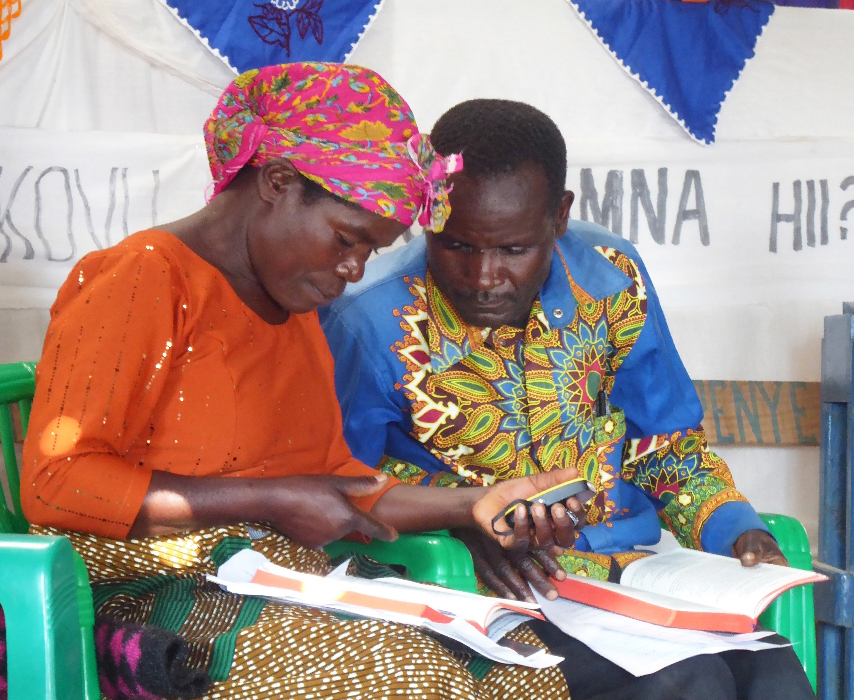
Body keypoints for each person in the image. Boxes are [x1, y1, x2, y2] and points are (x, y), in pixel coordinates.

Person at [19, 67, 577, 700]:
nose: (353, 268)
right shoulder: (141, 278)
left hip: (264, 577)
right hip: (145, 585)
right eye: (347, 239)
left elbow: (337, 483)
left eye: (370, 252)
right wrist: (268, 500)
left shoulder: (294, 310)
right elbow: (56, 485)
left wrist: (478, 503)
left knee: (514, 671)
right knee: (410, 680)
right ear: (278, 182)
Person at [320, 98, 817, 699]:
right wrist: (461, 519)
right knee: (687, 684)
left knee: (773, 673)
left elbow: (658, 442)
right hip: (474, 592)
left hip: (625, 575)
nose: (482, 277)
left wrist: (732, 525)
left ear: (559, 216)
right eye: (455, 246)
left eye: (512, 250)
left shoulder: (612, 278)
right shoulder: (371, 320)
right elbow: (339, 487)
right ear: (427, 215)